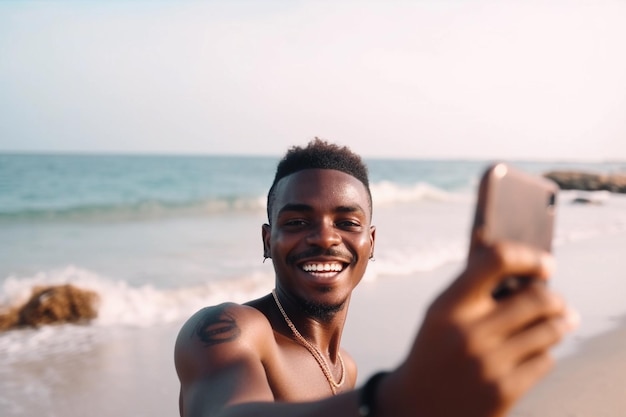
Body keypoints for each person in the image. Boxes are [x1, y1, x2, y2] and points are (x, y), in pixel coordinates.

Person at [174, 138, 578, 417]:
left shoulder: (345, 369)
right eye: (297, 221)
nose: (324, 237)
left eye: (346, 222)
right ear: (268, 240)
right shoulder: (229, 331)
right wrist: (394, 401)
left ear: (370, 242)